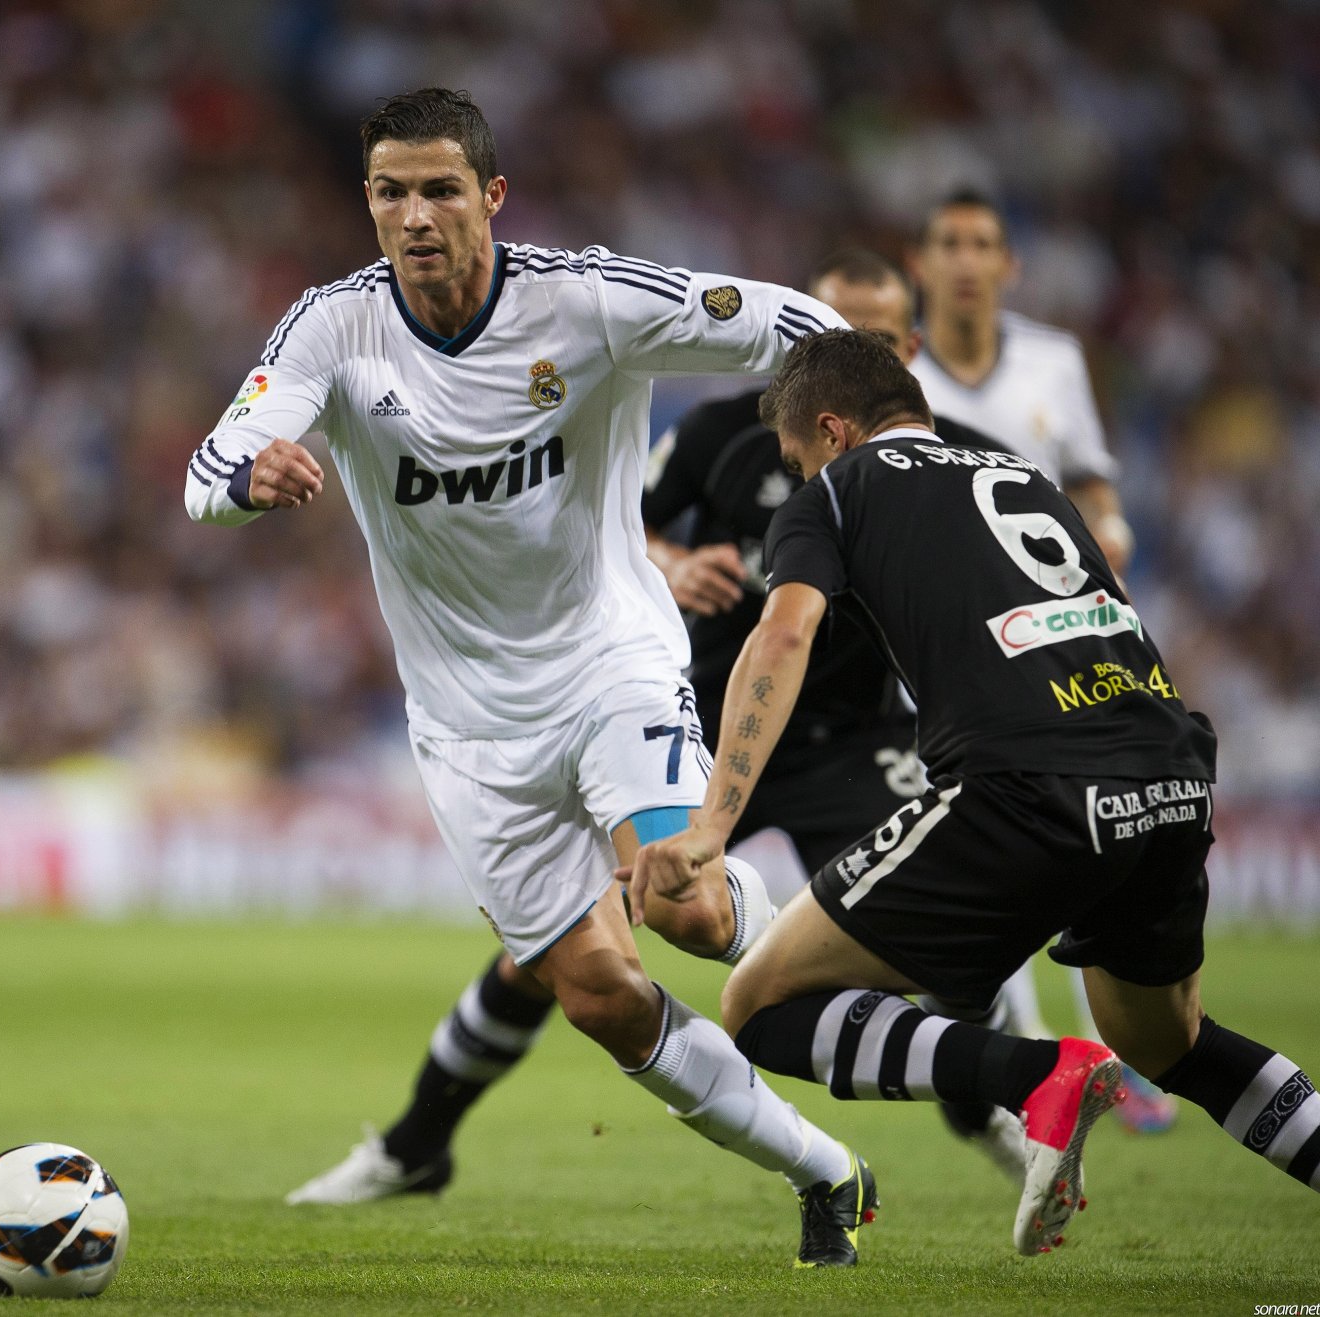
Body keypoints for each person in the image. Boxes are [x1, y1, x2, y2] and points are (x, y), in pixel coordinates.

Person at [186, 87, 877, 1268]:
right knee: (599, 994)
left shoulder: (589, 301)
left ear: (493, 196)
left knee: (687, 905)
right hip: (465, 727)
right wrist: (249, 483)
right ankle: (825, 1170)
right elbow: (212, 466)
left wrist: (839, 439)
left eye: (439, 190)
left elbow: (807, 328)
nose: (414, 216)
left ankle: (852, 959)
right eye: (390, 192)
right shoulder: (334, 329)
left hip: (609, 661)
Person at [285, 250, 1028, 1211]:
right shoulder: (729, 434)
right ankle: (415, 1141)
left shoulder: (953, 462)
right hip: (720, 711)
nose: (839, 356)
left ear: (908, 354)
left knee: (906, 937)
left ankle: (993, 1097)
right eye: (826, 331)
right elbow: (611, 518)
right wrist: (672, 562)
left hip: (853, 741)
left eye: (871, 340)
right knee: (572, 956)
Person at [624, 328, 1319, 1257]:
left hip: (1027, 788)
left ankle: (1037, 1076)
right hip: (1168, 774)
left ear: (831, 431)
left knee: (759, 1003)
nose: (797, 477)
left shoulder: (836, 492)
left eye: (795, 459)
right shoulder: (1024, 475)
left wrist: (712, 826)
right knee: (1172, 1043)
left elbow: (781, 638)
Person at [907, 187, 1173, 1130]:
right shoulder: (898, 373)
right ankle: (1038, 1069)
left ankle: (1116, 1053)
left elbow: (1093, 482)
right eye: (949, 242)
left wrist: (1111, 528)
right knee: (993, 857)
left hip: (1054, 641)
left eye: (983, 243)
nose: (966, 259)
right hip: (941, 653)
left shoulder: (1053, 362)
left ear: (1008, 265)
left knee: (1080, 844)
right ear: (920, 263)